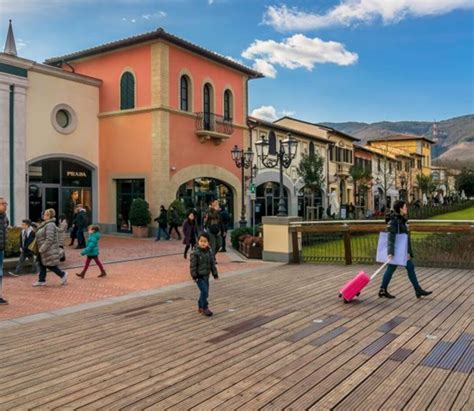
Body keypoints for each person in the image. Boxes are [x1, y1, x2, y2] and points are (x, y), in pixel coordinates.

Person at [379, 200, 433, 299]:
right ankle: (417, 290)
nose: (406, 208)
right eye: (405, 207)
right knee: (405, 267)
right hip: (397, 251)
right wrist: (391, 252)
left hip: (400, 250)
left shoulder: (400, 220)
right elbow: (391, 238)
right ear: (400, 209)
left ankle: (383, 289)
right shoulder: (394, 221)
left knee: (396, 268)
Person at [33, 208, 68, 287]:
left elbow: (49, 239)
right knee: (42, 264)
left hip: (47, 249)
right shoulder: (45, 223)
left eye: (45, 214)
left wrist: (42, 248)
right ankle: (41, 280)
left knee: (50, 265)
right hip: (43, 248)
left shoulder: (50, 225)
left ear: (49, 216)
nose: (43, 215)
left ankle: (62, 274)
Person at [190, 232, 219, 317]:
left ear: (208, 242)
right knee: (204, 291)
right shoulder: (195, 253)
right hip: (199, 277)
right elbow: (193, 266)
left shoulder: (209, 252)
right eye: (201, 241)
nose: (203, 243)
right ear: (198, 241)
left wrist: (215, 274)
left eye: (205, 241)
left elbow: (212, 264)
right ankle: (205, 307)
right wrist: (194, 276)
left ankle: (200, 306)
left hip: (206, 276)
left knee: (205, 293)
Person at [0, 198, 9, 304]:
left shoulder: (5, 217)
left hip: (1, 249)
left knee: (0, 272)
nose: (6, 205)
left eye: (6, 204)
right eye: (3, 204)